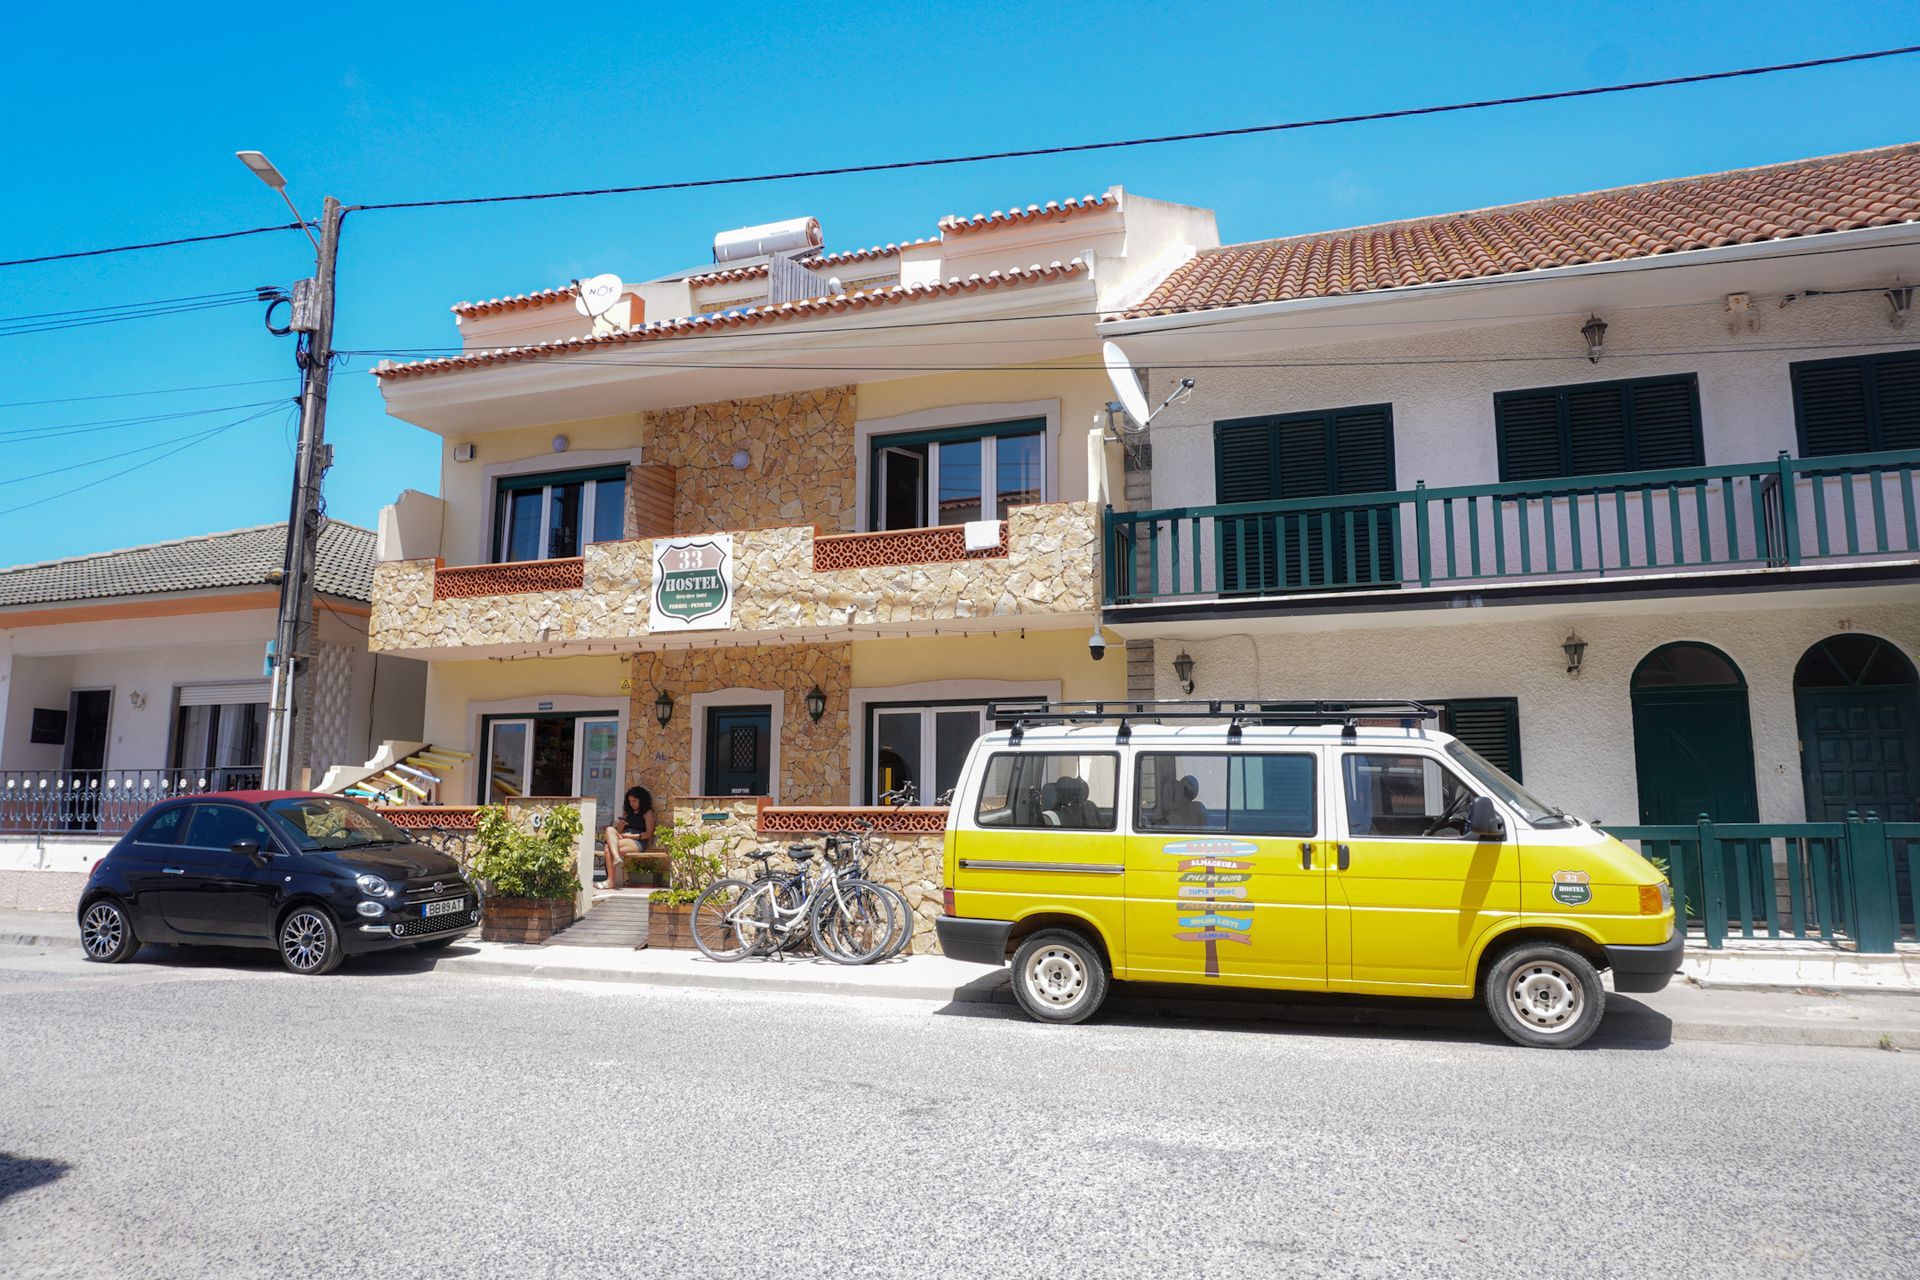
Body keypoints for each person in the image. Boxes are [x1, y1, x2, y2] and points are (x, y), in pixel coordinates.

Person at [602, 785, 655, 890]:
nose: (632, 804)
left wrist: (631, 836)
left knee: (608, 848)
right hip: (624, 837)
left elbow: (648, 833)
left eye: (635, 801)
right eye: (630, 801)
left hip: (638, 840)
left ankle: (610, 881)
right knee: (609, 829)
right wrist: (621, 826)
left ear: (641, 800)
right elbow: (619, 832)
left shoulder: (647, 813)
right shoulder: (627, 812)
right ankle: (617, 858)